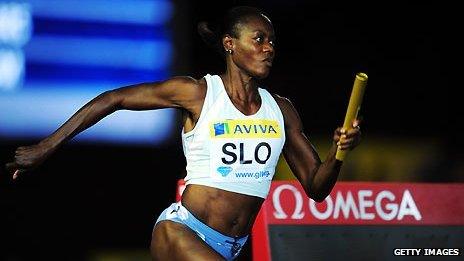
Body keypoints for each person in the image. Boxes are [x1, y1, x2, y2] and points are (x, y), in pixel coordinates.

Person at [5, 6, 361, 261]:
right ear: (229, 44)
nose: (269, 47)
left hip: (232, 246)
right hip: (182, 232)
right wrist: (46, 147)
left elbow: (317, 187)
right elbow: (113, 99)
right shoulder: (199, 93)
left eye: (272, 41)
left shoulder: (281, 110)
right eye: (259, 39)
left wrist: (338, 152)